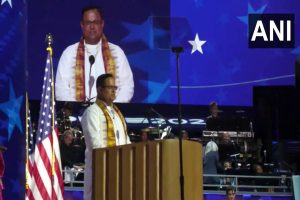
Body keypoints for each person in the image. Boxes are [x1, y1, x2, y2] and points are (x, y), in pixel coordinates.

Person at [55, 5, 134, 103]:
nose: (92, 27)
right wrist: (76, 109)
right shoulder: (69, 53)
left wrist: (110, 109)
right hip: (77, 115)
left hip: (110, 114)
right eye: (88, 22)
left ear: (102, 24)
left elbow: (127, 86)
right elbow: (61, 89)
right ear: (82, 25)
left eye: (95, 22)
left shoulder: (117, 52)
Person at [81, 73, 131, 199]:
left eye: (115, 87)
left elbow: (126, 141)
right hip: (100, 170)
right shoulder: (92, 112)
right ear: (99, 89)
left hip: (120, 169)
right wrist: (114, 161)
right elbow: (95, 144)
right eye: (110, 87)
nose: (114, 91)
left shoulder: (117, 113)